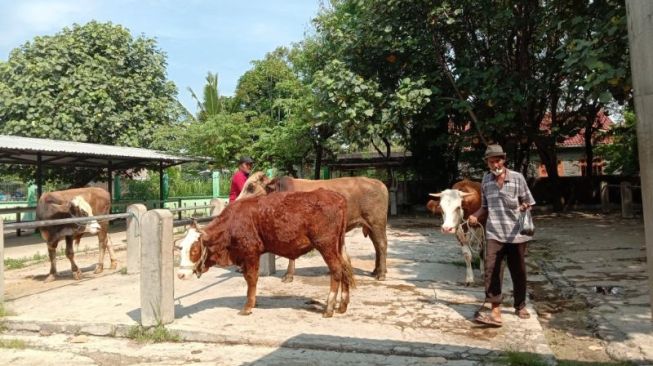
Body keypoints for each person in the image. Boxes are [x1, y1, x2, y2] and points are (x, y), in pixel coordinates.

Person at [468, 144, 536, 327]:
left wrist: (524, 207)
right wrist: (475, 215)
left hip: (516, 235)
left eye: (498, 160)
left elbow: (528, 201)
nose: (495, 164)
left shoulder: (517, 178)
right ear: (488, 163)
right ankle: (495, 309)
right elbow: (485, 207)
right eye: (491, 161)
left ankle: (520, 305)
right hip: (494, 233)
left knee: (518, 270)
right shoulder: (486, 181)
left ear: (503, 160)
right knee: (491, 270)